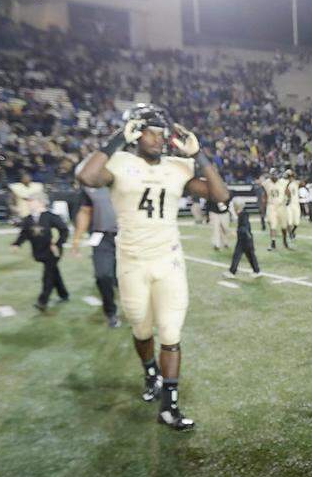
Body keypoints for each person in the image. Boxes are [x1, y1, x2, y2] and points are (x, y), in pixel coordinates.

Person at [76, 103, 231, 431]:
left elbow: (220, 196)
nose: (159, 139)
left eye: (162, 133)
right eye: (151, 132)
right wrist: (117, 139)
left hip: (168, 260)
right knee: (141, 329)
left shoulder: (177, 167)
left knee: (171, 333)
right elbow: (87, 176)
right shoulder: (120, 162)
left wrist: (199, 154)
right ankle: (150, 372)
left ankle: (169, 407)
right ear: (135, 133)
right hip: (132, 262)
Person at [71, 155, 121, 328]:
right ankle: (111, 312)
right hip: (102, 237)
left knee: (131, 276)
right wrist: (76, 240)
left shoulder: (121, 180)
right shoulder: (88, 189)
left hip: (128, 235)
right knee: (103, 275)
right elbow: (85, 212)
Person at [11, 192, 69, 312]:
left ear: (41, 202)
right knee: (54, 273)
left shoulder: (51, 216)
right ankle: (63, 294)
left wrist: (57, 244)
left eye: (31, 201)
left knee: (48, 276)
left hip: (53, 252)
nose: (29, 203)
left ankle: (43, 301)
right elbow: (24, 233)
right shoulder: (28, 219)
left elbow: (64, 230)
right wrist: (17, 244)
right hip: (39, 252)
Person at [225, 203, 262, 279]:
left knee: (237, 255)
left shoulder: (243, 215)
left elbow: (244, 227)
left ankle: (232, 272)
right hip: (247, 239)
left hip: (244, 239)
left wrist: (236, 232)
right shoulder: (243, 214)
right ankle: (257, 271)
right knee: (251, 256)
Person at [260, 169, 291, 250]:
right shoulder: (266, 183)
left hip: (281, 206)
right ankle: (273, 243)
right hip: (271, 205)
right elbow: (264, 194)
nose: (274, 176)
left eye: (276, 174)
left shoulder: (283, 182)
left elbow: (288, 191)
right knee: (272, 225)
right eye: (273, 174)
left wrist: (288, 199)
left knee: (284, 226)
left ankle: (285, 241)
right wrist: (263, 206)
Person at [285, 169, 302, 240]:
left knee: (297, 222)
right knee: (289, 221)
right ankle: (290, 234)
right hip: (289, 204)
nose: (291, 178)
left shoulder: (296, 183)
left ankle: (292, 231)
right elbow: (286, 192)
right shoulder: (286, 184)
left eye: (291, 176)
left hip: (296, 204)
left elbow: (302, 183)